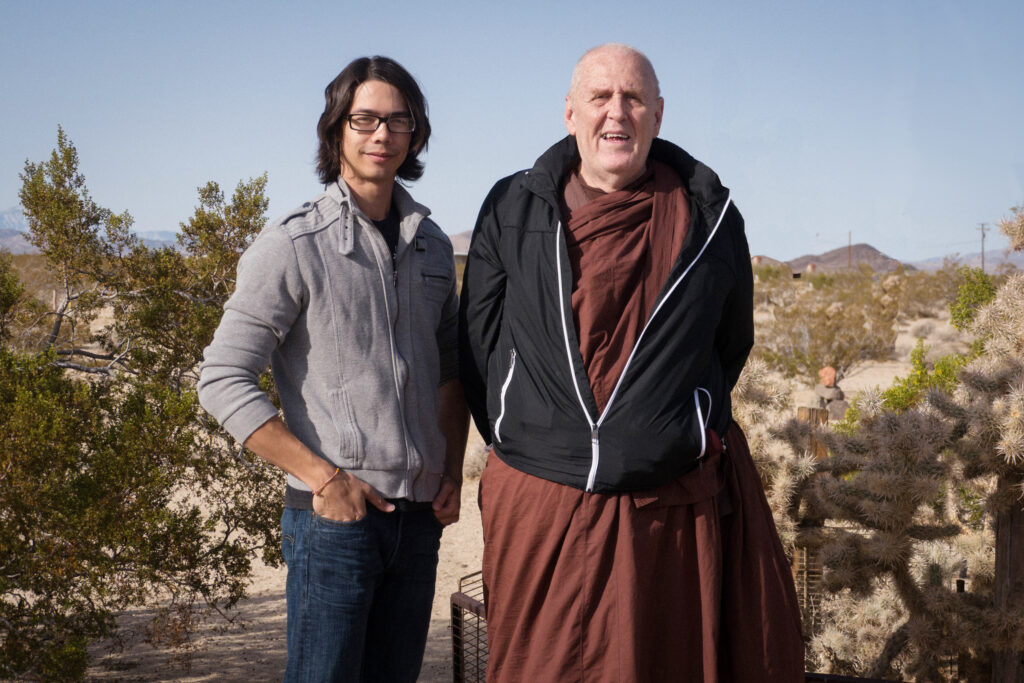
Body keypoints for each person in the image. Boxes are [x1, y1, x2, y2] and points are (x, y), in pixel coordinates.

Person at [459, 44, 804, 682]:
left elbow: (729, 343)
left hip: (664, 506)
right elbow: (477, 344)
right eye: (599, 97)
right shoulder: (513, 208)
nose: (616, 112)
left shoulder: (710, 216)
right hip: (540, 502)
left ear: (658, 114)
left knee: (656, 660)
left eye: (634, 98)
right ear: (570, 112)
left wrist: (667, 422)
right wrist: (526, 433)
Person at [198, 56, 467, 682]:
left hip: (419, 521)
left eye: (398, 121)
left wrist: (450, 468)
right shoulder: (293, 245)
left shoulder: (431, 246)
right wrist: (323, 478)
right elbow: (220, 378)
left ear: (416, 134)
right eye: (365, 119)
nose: (382, 135)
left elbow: (450, 372)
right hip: (334, 523)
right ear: (336, 131)